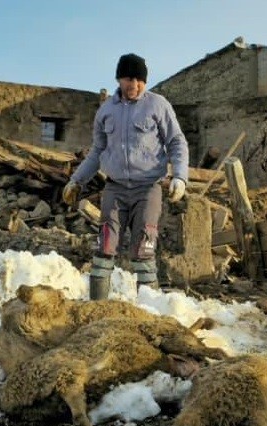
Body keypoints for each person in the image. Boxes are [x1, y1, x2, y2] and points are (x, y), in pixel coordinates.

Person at [62, 53, 189, 300]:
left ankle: (148, 309)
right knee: (105, 247)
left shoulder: (158, 105)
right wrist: (76, 181)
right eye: (129, 79)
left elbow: (176, 141)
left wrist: (180, 177)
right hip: (115, 189)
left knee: (143, 249)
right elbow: (97, 151)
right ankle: (97, 308)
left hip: (147, 188)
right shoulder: (106, 111)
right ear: (119, 79)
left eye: (140, 80)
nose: (135, 85)